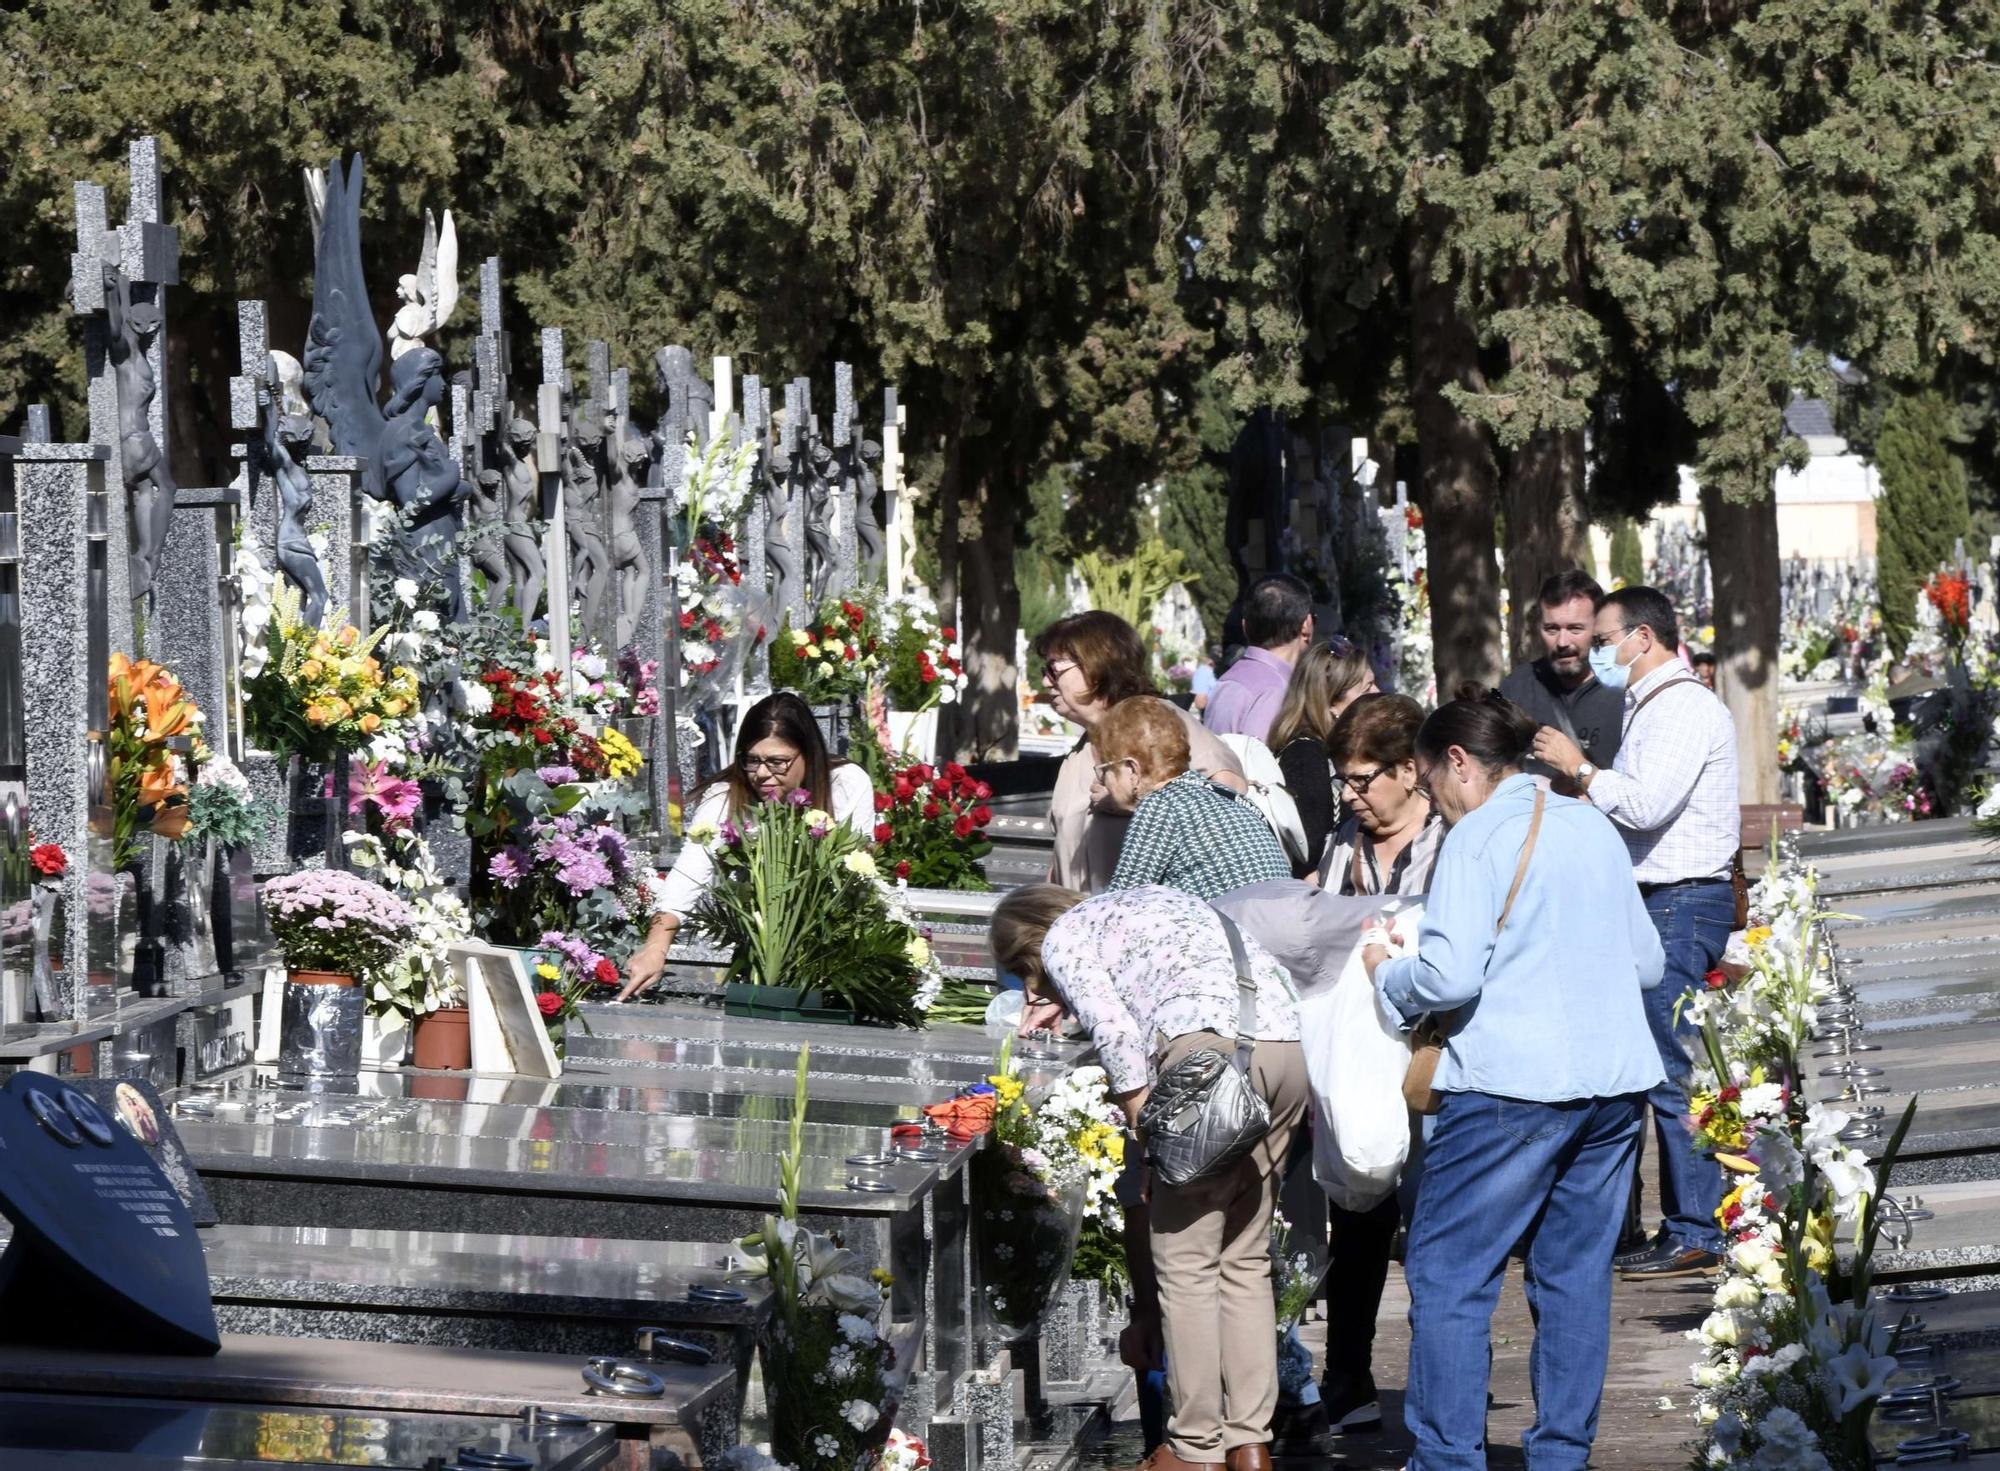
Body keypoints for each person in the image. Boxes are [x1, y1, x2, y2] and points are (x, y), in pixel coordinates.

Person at [1365, 686, 1665, 1470]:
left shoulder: (1475, 839)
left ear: (1459, 763)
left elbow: (1450, 977)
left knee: (1451, 1274)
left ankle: (1447, 1460)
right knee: (1574, 1276)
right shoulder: (1591, 825)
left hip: (1507, 1087)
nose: (1434, 805)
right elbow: (1647, 961)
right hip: (1612, 1082)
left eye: (1431, 785)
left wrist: (1387, 975)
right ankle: (1562, 1455)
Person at [994, 883, 1308, 1471]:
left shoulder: (1067, 936)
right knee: (1244, 1255)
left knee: (1186, 1261)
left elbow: (1113, 1032)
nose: (1034, 990)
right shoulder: (1153, 904)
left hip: (1203, 1053)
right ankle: (1250, 1442)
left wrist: (1147, 1131)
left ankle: (1194, 1447)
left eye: (1025, 975)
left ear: (1030, 948)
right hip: (1285, 1048)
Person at [1530, 585, 1741, 1280]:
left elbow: (1648, 805)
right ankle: (1686, 1222)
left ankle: (1699, 1228)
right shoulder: (1651, 703)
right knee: (1660, 1061)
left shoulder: (1680, 706)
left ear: (1643, 638)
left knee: (1673, 1065)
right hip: (1658, 900)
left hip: (1681, 901)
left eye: (1605, 639)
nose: (1596, 653)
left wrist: (1580, 769)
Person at [619, 692, 875, 998]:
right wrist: (654, 949)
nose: (763, 774)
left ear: (808, 754)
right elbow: (686, 878)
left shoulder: (846, 784)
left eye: (778, 762)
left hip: (829, 956)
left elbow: (855, 870)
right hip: (754, 958)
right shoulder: (726, 798)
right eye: (752, 760)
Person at [1036, 612, 1245, 894]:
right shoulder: (1082, 750)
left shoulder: (1160, 722)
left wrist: (1134, 803)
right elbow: (1062, 855)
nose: (1047, 682)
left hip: (1150, 928)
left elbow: (1227, 795)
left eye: (1054, 670)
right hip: (1084, 926)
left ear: (1097, 664)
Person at [1098, 698, 1292, 901]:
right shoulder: (1226, 796)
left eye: (1106, 770)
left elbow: (1121, 904)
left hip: (1233, 927)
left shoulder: (1161, 805)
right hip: (1275, 920)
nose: (1103, 781)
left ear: (1132, 769)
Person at [1500, 570, 1624, 792]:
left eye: (1575, 628)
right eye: (1552, 629)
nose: (1562, 642)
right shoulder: (1517, 687)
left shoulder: (1626, 692)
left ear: (1598, 628)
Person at [1265, 639, 1378, 879]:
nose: (1377, 693)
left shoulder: (1326, 750)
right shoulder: (1306, 756)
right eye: (1367, 688)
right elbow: (1311, 853)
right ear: (1331, 703)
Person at [1204, 575, 1315, 745]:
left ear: (1245, 627)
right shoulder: (1275, 692)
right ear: (1306, 625)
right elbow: (1262, 767)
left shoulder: (1227, 680)